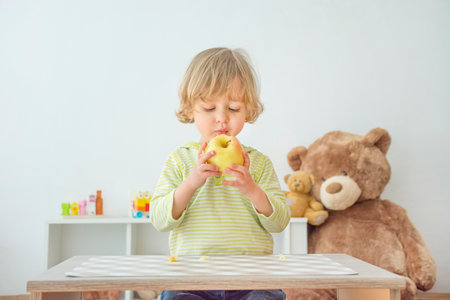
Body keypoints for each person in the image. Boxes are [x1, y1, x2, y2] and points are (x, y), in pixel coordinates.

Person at [150, 47, 290, 300]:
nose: (222, 119)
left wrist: (252, 190)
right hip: (191, 278)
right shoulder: (179, 160)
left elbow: (279, 222)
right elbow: (160, 219)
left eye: (234, 109)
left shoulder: (258, 163)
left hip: (252, 279)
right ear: (191, 109)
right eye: (209, 108)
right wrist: (191, 183)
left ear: (248, 110)